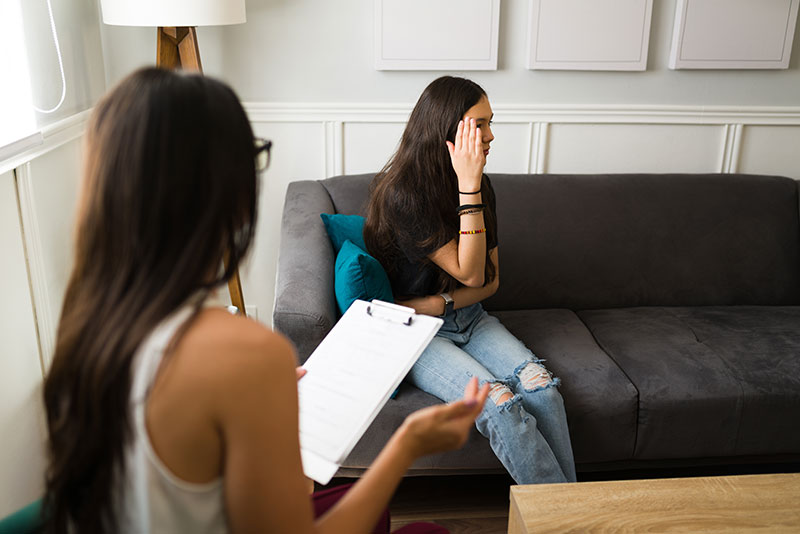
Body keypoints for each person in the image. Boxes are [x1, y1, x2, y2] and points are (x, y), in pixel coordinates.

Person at [42, 67, 489, 534]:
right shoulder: (244, 354)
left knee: (364, 508)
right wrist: (407, 445)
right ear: (221, 191)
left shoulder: (86, 332)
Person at [364, 76, 576, 484]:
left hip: (470, 318)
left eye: (490, 123)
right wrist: (468, 187)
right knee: (499, 404)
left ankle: (569, 514)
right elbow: (471, 273)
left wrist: (439, 302)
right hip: (420, 334)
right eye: (479, 125)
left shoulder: (481, 186)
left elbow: (490, 282)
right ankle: (566, 521)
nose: (491, 135)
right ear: (447, 130)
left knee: (543, 389)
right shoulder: (403, 195)